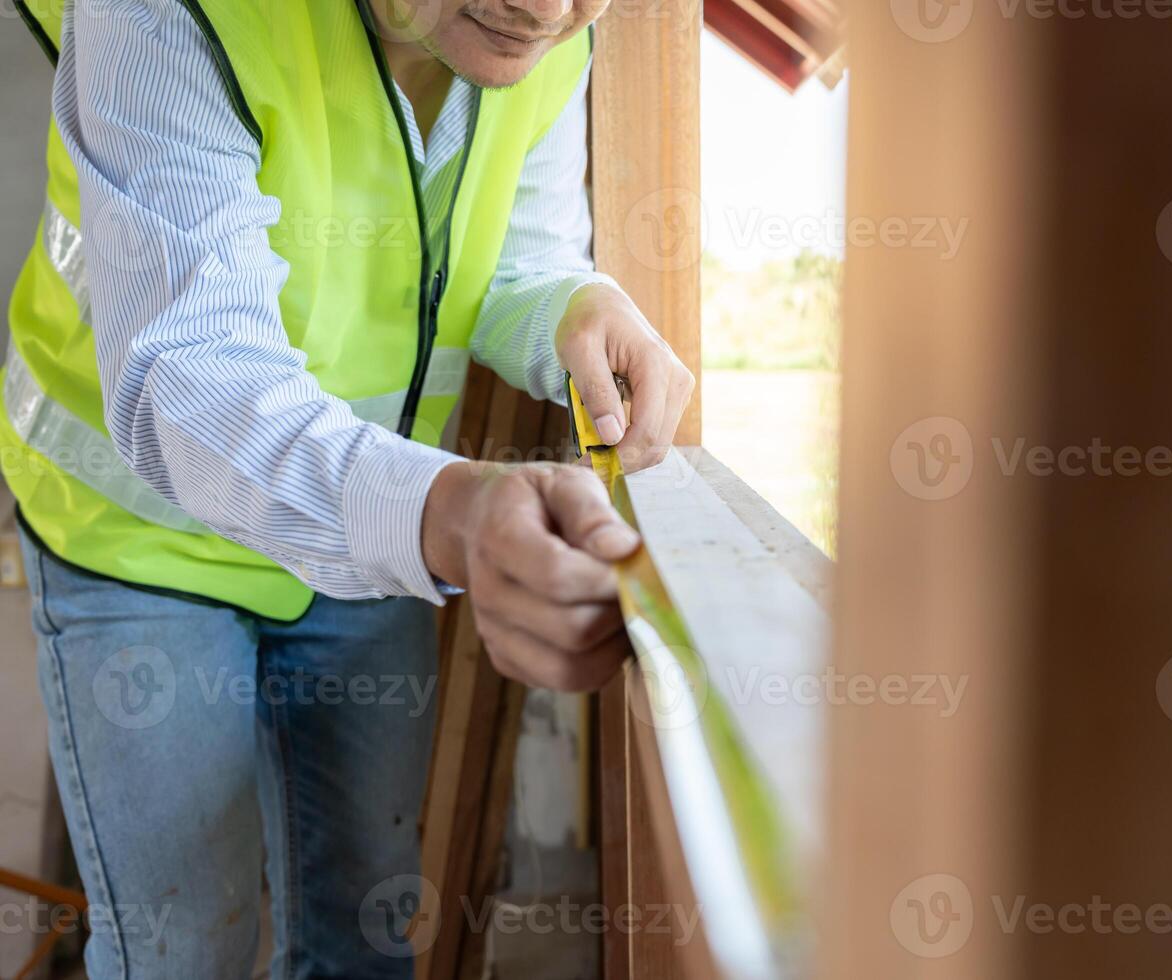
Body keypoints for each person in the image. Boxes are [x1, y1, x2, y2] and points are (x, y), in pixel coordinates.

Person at [3, 0, 692, 974]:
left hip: (363, 547)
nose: (545, 6)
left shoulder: (551, 33)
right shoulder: (162, 14)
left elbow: (513, 255)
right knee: (184, 947)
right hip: (135, 543)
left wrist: (575, 306)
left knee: (366, 935)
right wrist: (448, 512)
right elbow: (196, 374)